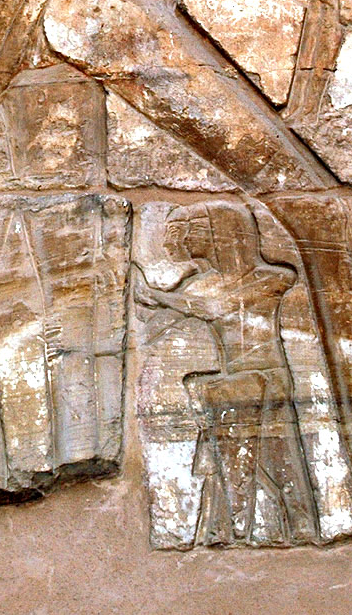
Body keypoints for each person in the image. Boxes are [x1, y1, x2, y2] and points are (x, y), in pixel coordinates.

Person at [134, 200, 319, 544]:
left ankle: (290, 526)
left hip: (269, 379)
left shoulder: (274, 278)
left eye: (191, 230)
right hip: (236, 384)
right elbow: (158, 324)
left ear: (222, 232)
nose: (183, 240)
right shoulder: (199, 286)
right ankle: (226, 528)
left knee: (280, 463)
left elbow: (217, 306)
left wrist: (154, 294)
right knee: (244, 461)